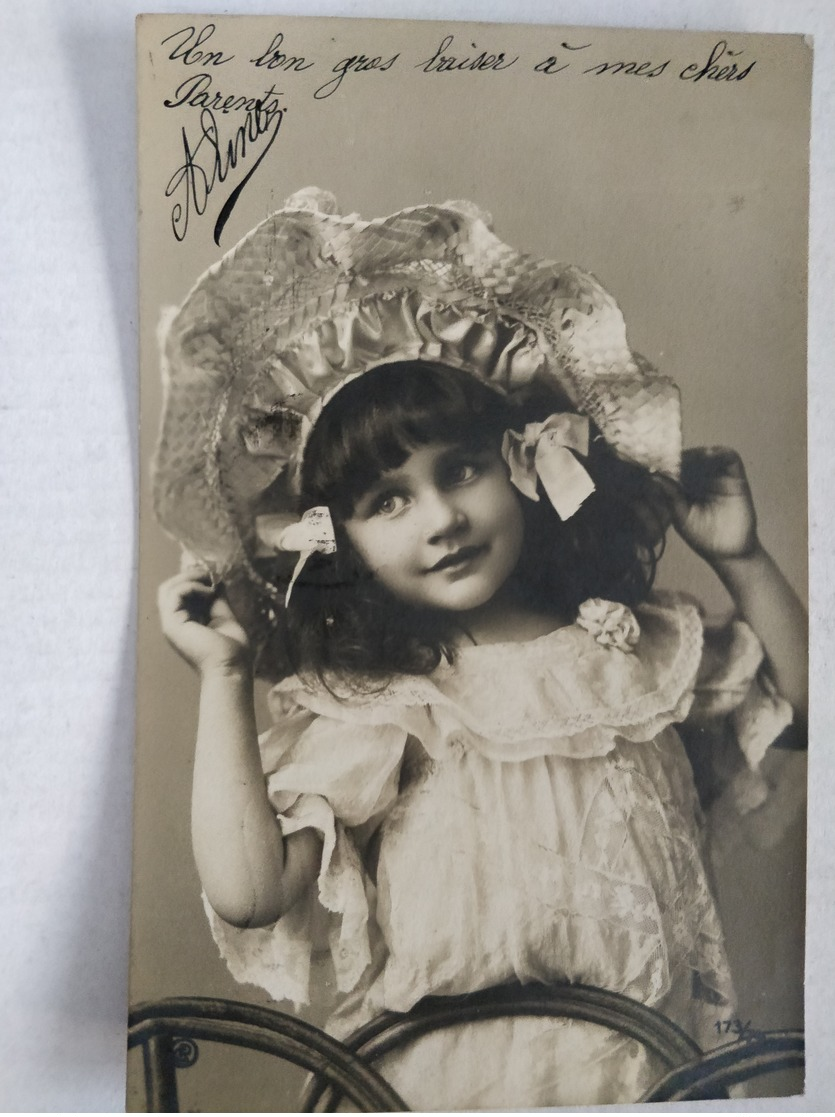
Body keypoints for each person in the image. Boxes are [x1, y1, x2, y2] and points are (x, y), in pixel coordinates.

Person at [155, 189, 807, 1108]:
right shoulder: (384, 701)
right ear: (331, 537)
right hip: (450, 1085)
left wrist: (741, 559)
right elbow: (251, 891)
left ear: (524, 458)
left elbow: (806, 711)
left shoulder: (631, 651)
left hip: (649, 1074)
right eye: (388, 501)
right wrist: (223, 676)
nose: (442, 517)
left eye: (459, 470)